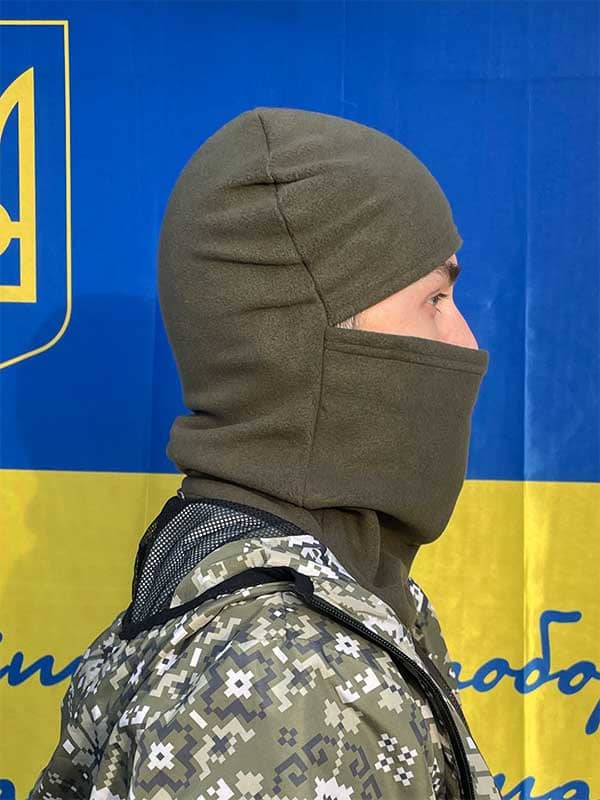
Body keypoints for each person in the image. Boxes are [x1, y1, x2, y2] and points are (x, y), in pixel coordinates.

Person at [28, 107, 501, 800]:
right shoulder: (294, 688)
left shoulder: (246, 602)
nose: (466, 343)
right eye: (435, 297)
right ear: (308, 340)